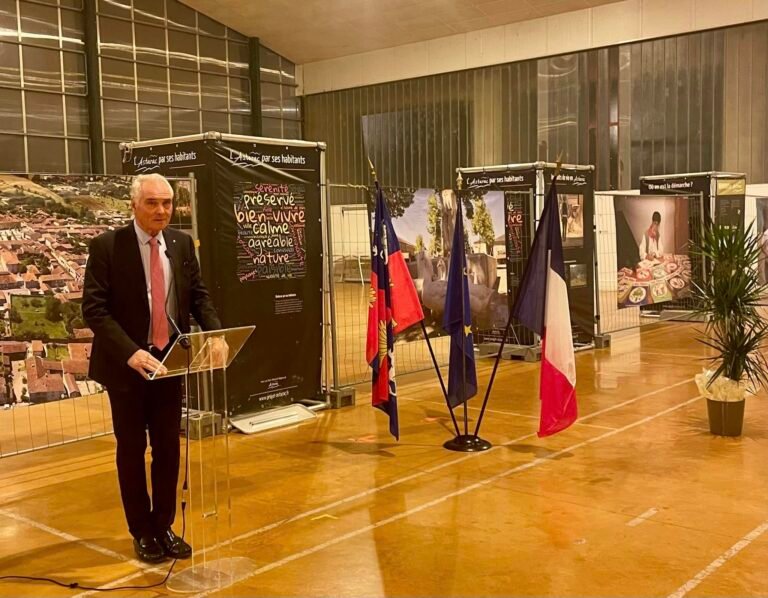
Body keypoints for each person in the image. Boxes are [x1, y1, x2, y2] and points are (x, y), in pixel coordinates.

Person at [83, 174, 223, 563]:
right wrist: (130, 352)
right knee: (132, 449)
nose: (161, 210)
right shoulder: (107, 246)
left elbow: (198, 296)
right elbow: (94, 309)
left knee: (168, 447)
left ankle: (163, 525)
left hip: (170, 362)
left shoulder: (180, 245)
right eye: (152, 203)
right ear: (134, 204)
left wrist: (217, 333)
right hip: (126, 365)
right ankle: (141, 531)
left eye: (167, 203)